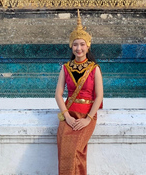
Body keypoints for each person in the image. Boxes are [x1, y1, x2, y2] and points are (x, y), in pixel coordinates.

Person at [55, 10, 103, 175]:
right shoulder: (66, 68)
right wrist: (67, 116)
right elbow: (58, 94)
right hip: (69, 114)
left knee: (76, 151)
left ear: (88, 46)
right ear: (71, 46)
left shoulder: (94, 69)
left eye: (82, 44)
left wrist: (88, 119)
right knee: (64, 153)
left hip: (86, 115)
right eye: (75, 44)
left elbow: (99, 96)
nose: (79, 48)